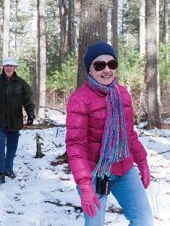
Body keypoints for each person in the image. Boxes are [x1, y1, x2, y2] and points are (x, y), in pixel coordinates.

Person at [65, 41, 153, 226]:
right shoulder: (79, 100)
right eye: (99, 65)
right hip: (95, 172)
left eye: (111, 64)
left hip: (124, 167)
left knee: (143, 220)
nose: (107, 70)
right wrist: (84, 183)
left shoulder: (122, 94)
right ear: (89, 70)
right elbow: (76, 145)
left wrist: (142, 161)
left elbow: (129, 134)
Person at [0, 57, 35, 187]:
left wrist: (30, 114)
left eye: (11, 66)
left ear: (15, 67)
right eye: (6, 66)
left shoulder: (21, 83)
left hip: (15, 121)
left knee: (12, 146)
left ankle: (8, 168)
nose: (9, 68)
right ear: (3, 67)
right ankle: (0, 173)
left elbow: (28, 100)